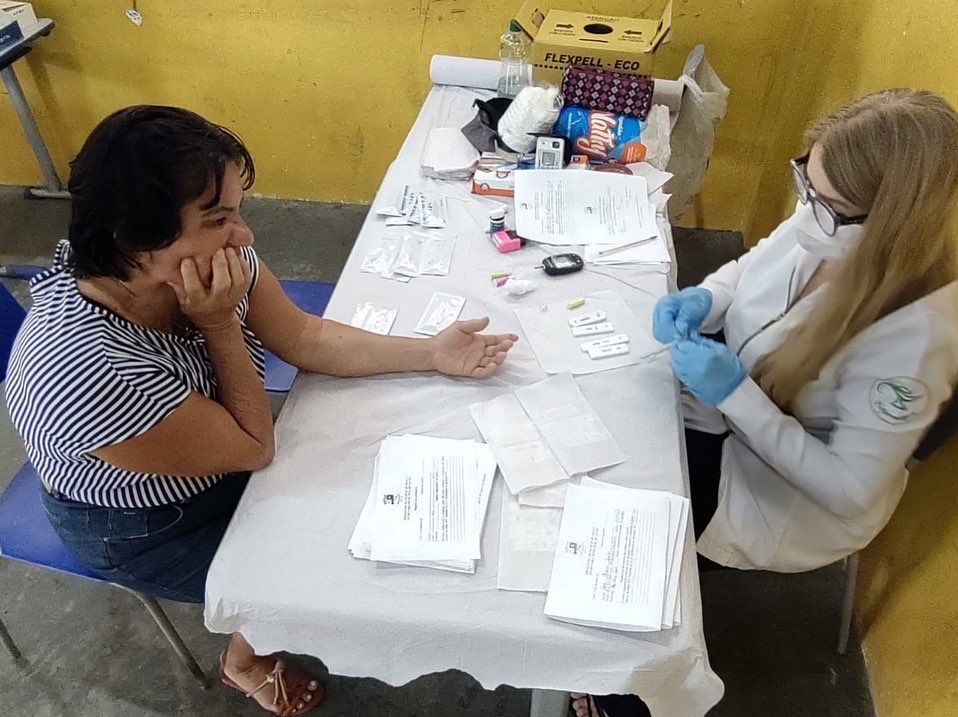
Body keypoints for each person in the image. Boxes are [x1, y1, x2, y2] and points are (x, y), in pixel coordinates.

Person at [4, 106, 518, 716]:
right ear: (134, 242)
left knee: (364, 479)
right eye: (218, 219)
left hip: (216, 445)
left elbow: (305, 337)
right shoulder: (85, 372)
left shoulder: (198, 265)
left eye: (237, 211)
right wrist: (219, 324)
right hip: (144, 524)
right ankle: (242, 659)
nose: (244, 236)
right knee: (325, 571)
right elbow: (254, 448)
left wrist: (431, 352)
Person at [573, 88, 958, 716]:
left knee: (630, 530)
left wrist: (735, 396)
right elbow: (754, 265)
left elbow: (847, 490)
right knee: (613, 424)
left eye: (828, 205)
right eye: (806, 180)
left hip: (789, 493)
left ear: (892, 223)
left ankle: (628, 692)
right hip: (739, 414)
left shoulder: (916, 339)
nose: (806, 213)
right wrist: (707, 298)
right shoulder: (827, 218)